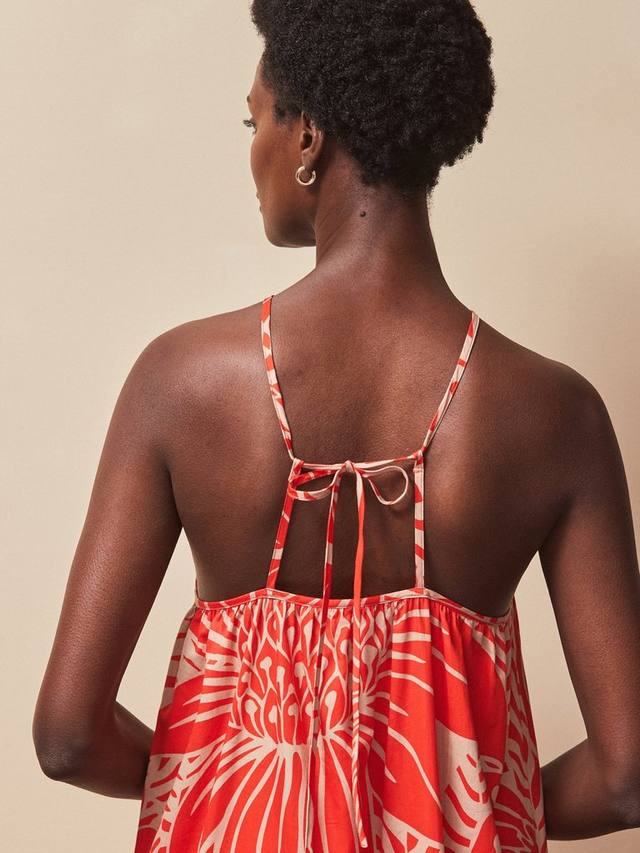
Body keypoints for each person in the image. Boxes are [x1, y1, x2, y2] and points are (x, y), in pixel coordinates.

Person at [33, 1, 640, 850]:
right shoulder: (556, 413)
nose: (254, 153)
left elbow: (67, 736)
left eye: (255, 120)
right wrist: (439, 799)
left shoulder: (180, 382)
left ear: (309, 135)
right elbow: (626, 774)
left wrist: (234, 774)